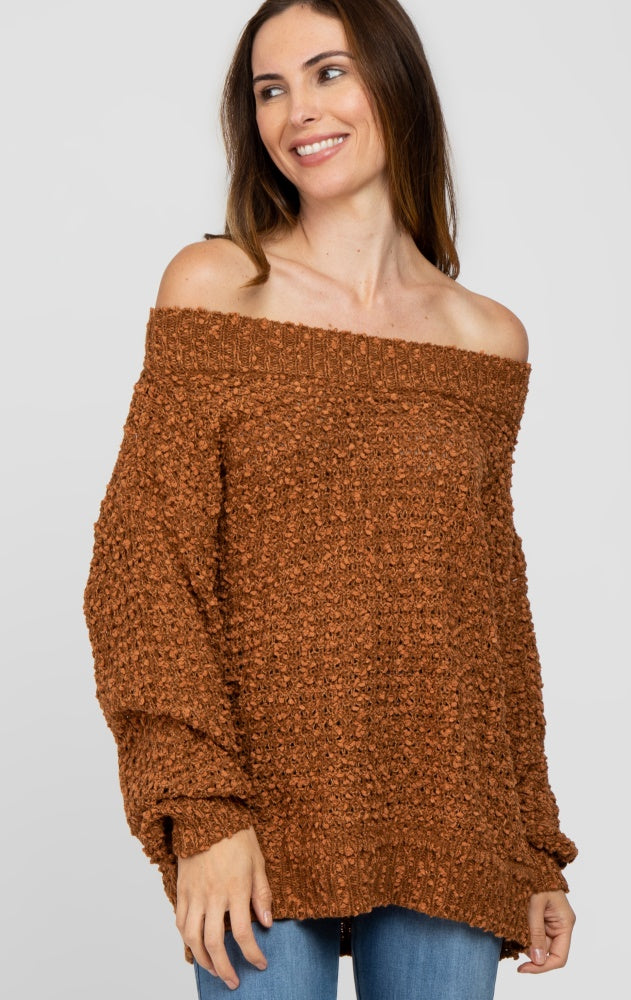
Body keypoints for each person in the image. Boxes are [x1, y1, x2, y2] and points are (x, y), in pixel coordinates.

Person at [82, 1, 579, 997]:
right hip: (258, 810)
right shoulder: (218, 286)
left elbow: (492, 608)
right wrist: (201, 813)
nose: (295, 110)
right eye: (269, 90)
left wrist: (532, 842)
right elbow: (142, 568)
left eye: (327, 72)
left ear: (395, 83)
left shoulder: (485, 339)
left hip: (451, 808)